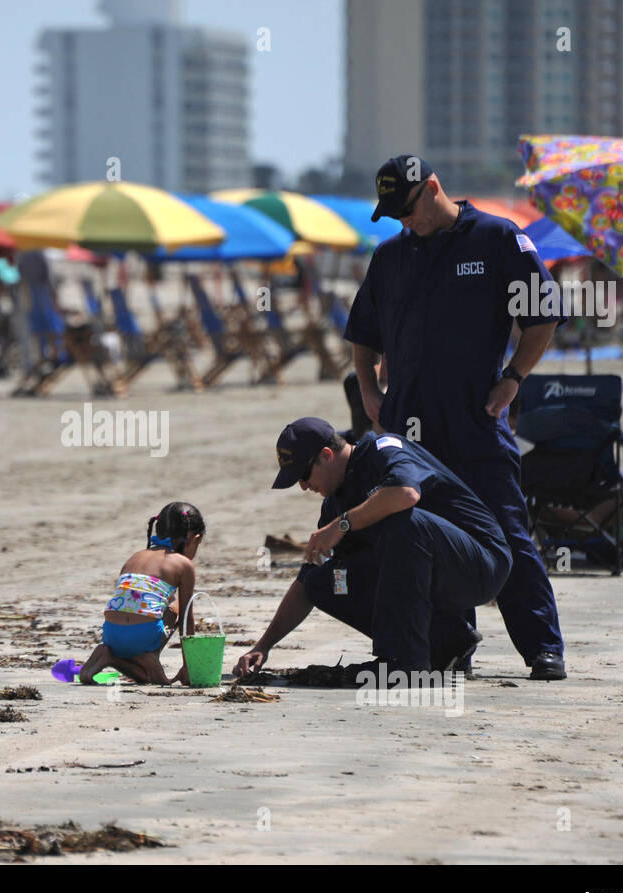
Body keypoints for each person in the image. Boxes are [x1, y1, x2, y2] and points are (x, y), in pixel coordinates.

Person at [346, 154, 568, 680]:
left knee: (507, 531)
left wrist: (513, 377)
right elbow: (362, 335)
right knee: (422, 535)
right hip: (409, 430)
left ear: (433, 188)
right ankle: (452, 647)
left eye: (409, 209)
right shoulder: (391, 256)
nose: (406, 222)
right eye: (395, 215)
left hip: (475, 420)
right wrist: (370, 391)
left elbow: (544, 315)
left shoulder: (496, 239)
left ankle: (542, 647)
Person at [234, 418, 512, 681]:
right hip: (432, 574)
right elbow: (305, 581)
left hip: (480, 564)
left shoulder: (384, 449)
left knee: (404, 523)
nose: (304, 486)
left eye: (304, 475)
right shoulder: (334, 503)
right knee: (320, 581)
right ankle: (445, 642)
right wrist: (263, 645)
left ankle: (404, 662)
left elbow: (405, 494)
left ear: (327, 455)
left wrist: (341, 525)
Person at [508, 396, 623, 572]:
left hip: (594, 504)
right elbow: (531, 503)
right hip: (579, 517)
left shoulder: (526, 441)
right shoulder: (515, 449)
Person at [80, 502, 205, 685]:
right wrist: (190, 668)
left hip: (111, 634)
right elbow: (187, 620)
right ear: (195, 538)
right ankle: (150, 656)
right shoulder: (183, 565)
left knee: (144, 676)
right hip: (144, 636)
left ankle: (108, 656)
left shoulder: (135, 556)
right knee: (177, 606)